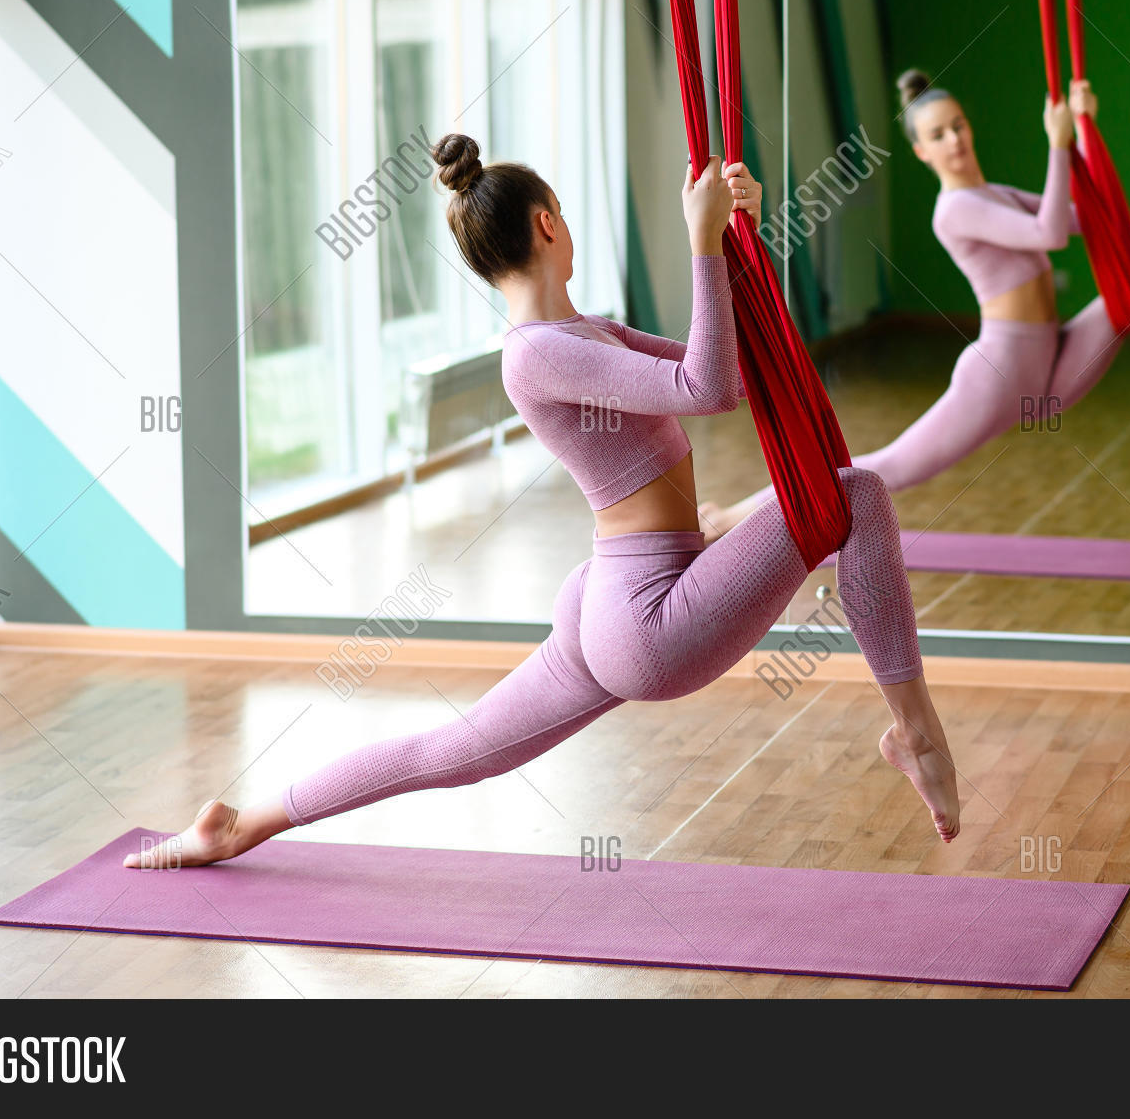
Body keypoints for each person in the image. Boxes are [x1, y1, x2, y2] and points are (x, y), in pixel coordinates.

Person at [125, 133, 961, 869]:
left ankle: (239, 827)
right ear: (548, 224)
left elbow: (734, 372)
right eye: (562, 213)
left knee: (458, 749)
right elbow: (703, 387)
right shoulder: (535, 356)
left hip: (625, 590)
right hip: (649, 619)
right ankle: (916, 732)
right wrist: (702, 239)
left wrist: (740, 239)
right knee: (853, 493)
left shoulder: (586, 332)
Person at [701, 69, 1130, 541]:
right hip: (998, 377)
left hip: (1051, 370)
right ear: (921, 151)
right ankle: (732, 516)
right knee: (886, 467)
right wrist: (1060, 144)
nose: (955, 140)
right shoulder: (955, 209)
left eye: (958, 126)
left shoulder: (995, 194)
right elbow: (1049, 233)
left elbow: (1088, 217)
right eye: (938, 135)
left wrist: (1088, 130)